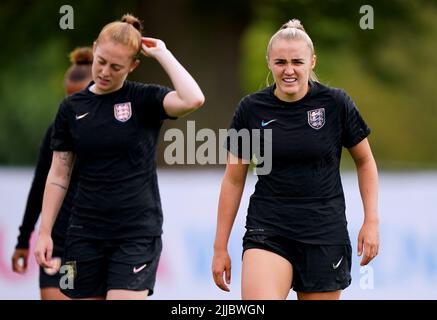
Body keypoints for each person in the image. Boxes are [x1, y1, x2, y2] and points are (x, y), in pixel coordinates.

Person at [34, 13, 204, 300]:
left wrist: (163, 54)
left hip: (136, 234)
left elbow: (193, 99)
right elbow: (59, 174)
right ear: (94, 49)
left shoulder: (144, 99)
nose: (104, 72)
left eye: (116, 67)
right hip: (83, 234)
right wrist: (45, 232)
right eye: (101, 62)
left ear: (133, 66)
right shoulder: (71, 108)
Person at [212, 19, 379, 300]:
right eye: (280, 62)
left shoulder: (336, 104)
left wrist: (371, 220)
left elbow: (365, 162)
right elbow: (233, 179)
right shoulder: (251, 109)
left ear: (312, 62)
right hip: (268, 229)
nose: (288, 70)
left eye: (297, 62)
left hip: (324, 232)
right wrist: (219, 248)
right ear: (269, 62)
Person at [12, 47, 93, 300]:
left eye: (78, 96)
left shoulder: (110, 132)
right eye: (68, 98)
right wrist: (24, 239)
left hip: (96, 240)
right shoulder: (57, 131)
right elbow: (40, 186)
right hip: (58, 241)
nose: (72, 105)